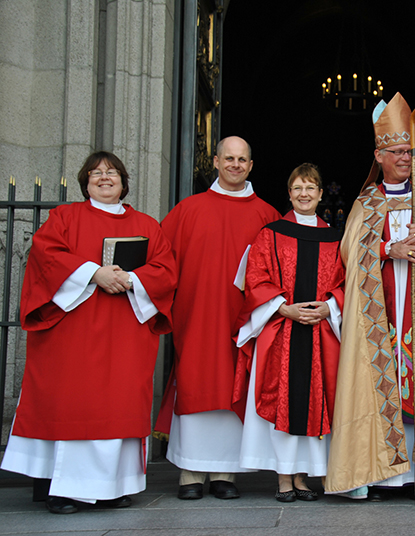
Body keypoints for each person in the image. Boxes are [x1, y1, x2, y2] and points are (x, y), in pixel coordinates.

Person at [0, 152, 177, 514]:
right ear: (85, 182)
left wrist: (130, 278)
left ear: (124, 182)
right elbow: (45, 255)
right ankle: (64, 490)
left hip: (126, 332)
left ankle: (114, 487)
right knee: (74, 403)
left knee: (118, 406)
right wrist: (94, 274)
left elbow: (165, 269)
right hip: (74, 332)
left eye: (112, 173)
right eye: (96, 173)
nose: (104, 178)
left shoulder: (146, 224)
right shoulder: (65, 217)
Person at [325, 93, 415, 500]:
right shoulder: (366, 203)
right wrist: (388, 249)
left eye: (409, 151)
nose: (405, 158)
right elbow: (349, 254)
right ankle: (381, 473)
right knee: (381, 384)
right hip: (381, 314)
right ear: (379, 154)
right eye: (397, 151)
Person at [154, 136, 280, 500]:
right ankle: (190, 473)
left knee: (233, 387)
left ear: (251, 166)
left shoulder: (267, 215)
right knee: (197, 385)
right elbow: (160, 262)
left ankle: (227, 474)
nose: (235, 165)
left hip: (243, 321)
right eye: (229, 158)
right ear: (215, 161)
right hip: (197, 317)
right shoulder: (188, 210)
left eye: (242, 159)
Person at [232, 163, 344, 502]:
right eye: (297, 188)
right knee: (282, 400)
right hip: (282, 331)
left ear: (321, 194)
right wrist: (283, 308)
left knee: (316, 402)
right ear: (290, 193)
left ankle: (303, 478)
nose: (304, 194)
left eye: (311, 188)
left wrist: (330, 307)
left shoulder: (336, 238)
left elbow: (347, 282)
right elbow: (256, 277)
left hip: (320, 332)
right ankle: (284, 478)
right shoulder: (271, 233)